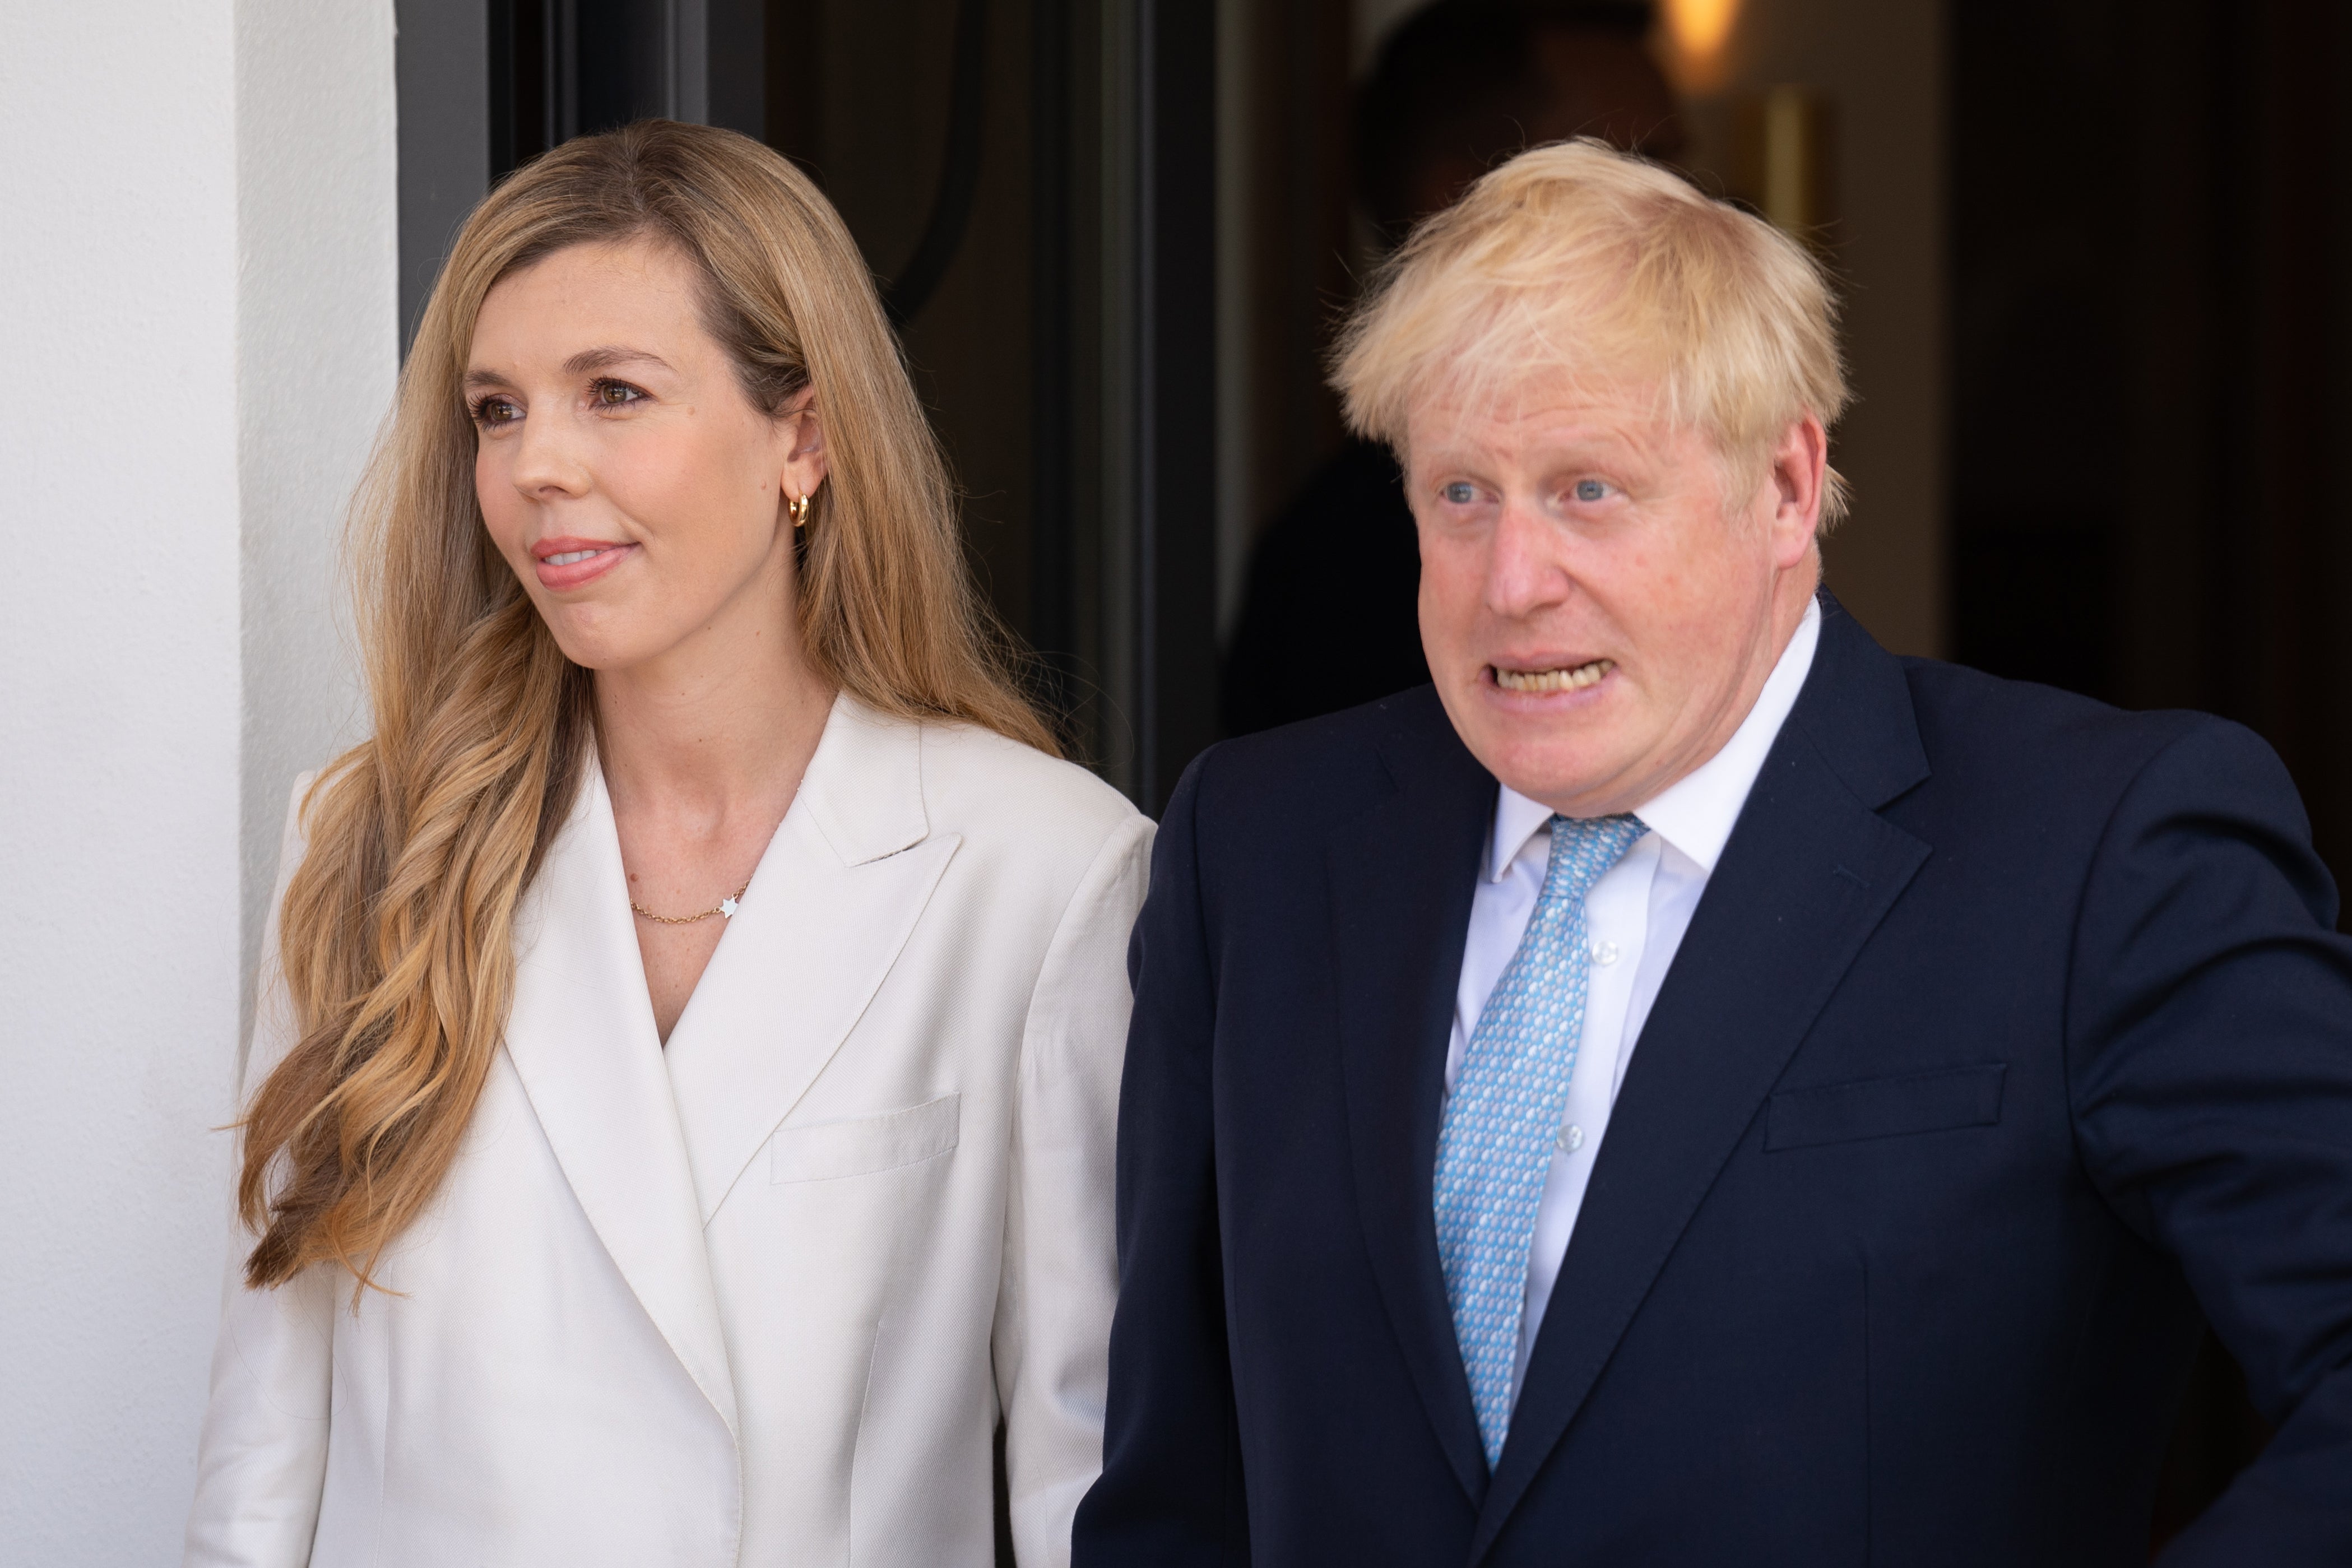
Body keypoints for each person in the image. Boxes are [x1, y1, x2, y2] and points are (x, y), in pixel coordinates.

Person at [1076, 140, 2352, 1565]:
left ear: (1788, 489)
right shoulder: (1257, 847)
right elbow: (1173, 1488)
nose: (1512, 581)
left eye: (1587, 491)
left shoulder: (2101, 852)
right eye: (1460, 494)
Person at [184, 120, 1149, 1567]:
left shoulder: (1037, 866)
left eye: (613, 393)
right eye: (496, 410)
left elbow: (1086, 1476)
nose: (536, 467)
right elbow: (266, 1442)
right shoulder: (372, 833)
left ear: (803, 438)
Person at [1221, 0, 1683, 737]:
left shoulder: (1713, 464)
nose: (1685, 210)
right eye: (1632, 168)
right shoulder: (1339, 571)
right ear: (1461, 204)